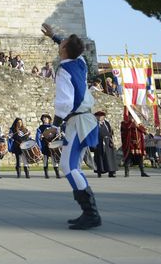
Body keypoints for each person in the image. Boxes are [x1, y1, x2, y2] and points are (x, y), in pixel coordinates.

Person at [41, 23, 100, 230]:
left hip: (79, 122)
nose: (60, 44)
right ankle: (88, 212)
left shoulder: (64, 69)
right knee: (70, 165)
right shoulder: (81, 63)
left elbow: (65, 102)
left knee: (69, 166)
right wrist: (55, 36)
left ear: (64, 50)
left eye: (62, 43)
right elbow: (75, 51)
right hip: (82, 120)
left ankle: (91, 213)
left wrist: (55, 127)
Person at [120, 108, 149, 178]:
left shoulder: (138, 123)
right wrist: (131, 123)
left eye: (134, 116)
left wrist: (139, 126)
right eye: (131, 116)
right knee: (128, 157)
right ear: (129, 116)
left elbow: (145, 131)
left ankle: (142, 172)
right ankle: (126, 173)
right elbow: (124, 130)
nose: (133, 117)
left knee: (140, 158)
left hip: (139, 144)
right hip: (130, 143)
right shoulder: (124, 123)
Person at [92, 111, 117, 178]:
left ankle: (111, 172)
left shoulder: (106, 123)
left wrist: (111, 141)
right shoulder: (94, 124)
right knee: (99, 157)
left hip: (107, 142)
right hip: (98, 143)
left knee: (109, 157)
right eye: (98, 116)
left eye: (101, 116)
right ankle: (99, 171)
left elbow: (110, 132)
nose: (100, 117)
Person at [35, 114, 61, 179]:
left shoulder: (53, 127)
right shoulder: (40, 128)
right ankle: (46, 174)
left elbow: (57, 135)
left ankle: (57, 174)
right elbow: (38, 137)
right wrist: (41, 137)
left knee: (54, 159)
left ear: (49, 119)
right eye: (43, 118)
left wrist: (58, 134)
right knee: (45, 159)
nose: (44, 119)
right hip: (45, 145)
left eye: (46, 118)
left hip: (52, 145)